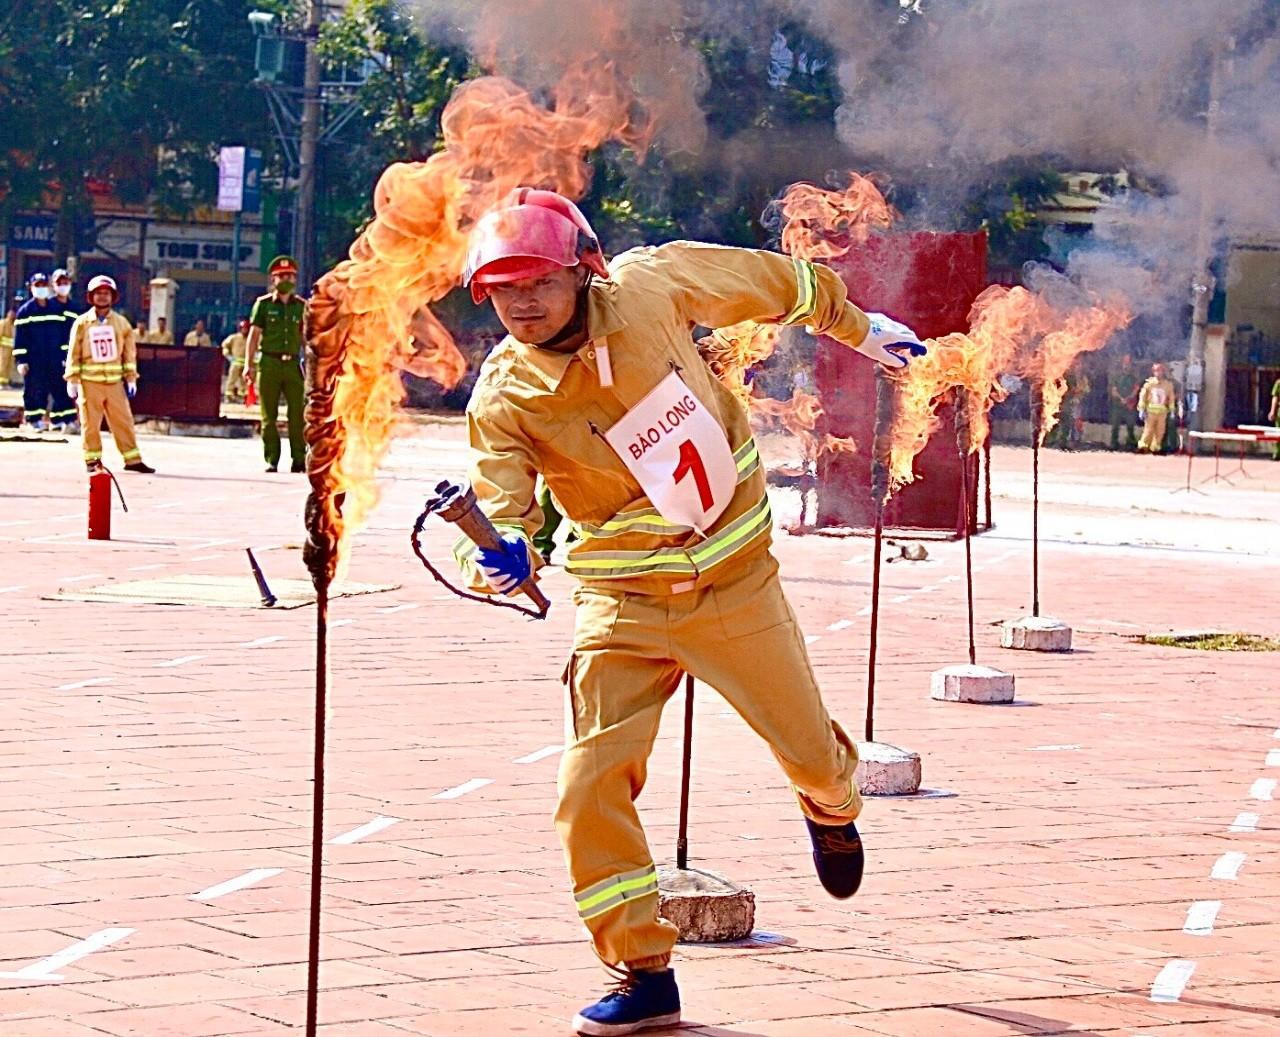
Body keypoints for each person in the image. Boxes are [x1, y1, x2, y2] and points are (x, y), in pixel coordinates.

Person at [454, 188, 927, 1036]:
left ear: (582, 270)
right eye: (502, 288)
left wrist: (861, 328)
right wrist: (497, 555)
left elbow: (776, 282)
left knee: (811, 753)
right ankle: (641, 970)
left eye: (537, 282)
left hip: (733, 582)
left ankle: (831, 804)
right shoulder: (504, 396)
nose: (521, 303)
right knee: (588, 785)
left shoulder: (651, 286)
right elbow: (503, 507)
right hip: (620, 601)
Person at [64, 275, 154, 474]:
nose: (102, 297)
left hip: (114, 383)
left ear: (113, 297)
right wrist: (72, 379)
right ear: (91, 296)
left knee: (124, 421)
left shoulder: (122, 324)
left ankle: (132, 460)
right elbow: (74, 351)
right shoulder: (82, 323)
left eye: (106, 293)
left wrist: (131, 378)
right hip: (89, 382)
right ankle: (92, 460)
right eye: (98, 293)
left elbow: (129, 353)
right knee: (90, 424)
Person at [245, 256, 307, 473]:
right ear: (273, 279)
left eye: (289, 276)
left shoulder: (301, 307)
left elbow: (306, 339)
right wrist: (248, 365)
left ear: (295, 279)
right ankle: (272, 458)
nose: (285, 280)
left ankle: (299, 458)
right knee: (268, 417)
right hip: (269, 363)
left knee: (297, 415)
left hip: (292, 366)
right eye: (281, 276)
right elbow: (253, 336)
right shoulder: (263, 305)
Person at [13, 271, 78, 431]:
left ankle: (65, 420)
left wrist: (65, 355)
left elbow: (63, 335)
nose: (41, 289)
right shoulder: (25, 311)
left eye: (43, 285)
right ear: (31, 288)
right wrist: (22, 360)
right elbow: (20, 338)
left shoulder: (55, 309)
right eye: (38, 286)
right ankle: (33, 420)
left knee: (60, 388)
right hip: (34, 360)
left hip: (54, 358)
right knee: (35, 390)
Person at [1137, 362, 1176, 454]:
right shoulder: (1149, 384)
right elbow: (1143, 396)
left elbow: (1171, 398)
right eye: (1156, 371)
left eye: (1160, 370)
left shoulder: (1168, 385)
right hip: (1150, 412)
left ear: (1163, 372)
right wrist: (1142, 409)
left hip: (1162, 412)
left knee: (1160, 431)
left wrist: (1172, 411)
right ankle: (1143, 446)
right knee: (1148, 430)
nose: (1158, 373)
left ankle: (1155, 448)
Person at [1108, 353, 1139, 450]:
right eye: (1125, 361)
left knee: (1130, 425)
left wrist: (1128, 398)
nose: (1126, 364)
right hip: (1118, 405)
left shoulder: (1134, 376)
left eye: (1128, 362)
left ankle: (1131, 444)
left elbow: (1136, 389)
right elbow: (1113, 390)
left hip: (1130, 405)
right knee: (1115, 425)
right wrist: (1121, 398)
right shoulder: (1116, 375)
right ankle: (1114, 444)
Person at [221, 317, 250, 401]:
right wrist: (228, 355)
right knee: (232, 379)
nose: (244, 330)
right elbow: (224, 345)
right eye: (243, 328)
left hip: (247, 363)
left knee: (245, 381)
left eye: (246, 329)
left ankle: (243, 394)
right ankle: (229, 394)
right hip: (235, 362)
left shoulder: (251, 338)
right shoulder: (234, 337)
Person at [0, 297, 17, 385]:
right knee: (2, 364)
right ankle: (1, 383)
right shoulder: (3, 323)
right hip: (3, 348)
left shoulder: (14, 324)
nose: (12, 315)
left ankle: (5, 382)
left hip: (11, 349)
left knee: (9, 366)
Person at [1268, 374, 1280, 461]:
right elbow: (1275, 397)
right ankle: (1277, 453)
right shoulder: (1278, 383)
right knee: (1278, 433)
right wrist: (1272, 411)